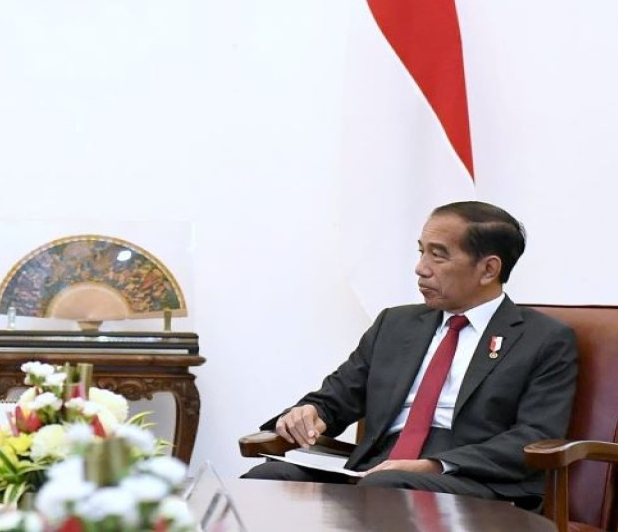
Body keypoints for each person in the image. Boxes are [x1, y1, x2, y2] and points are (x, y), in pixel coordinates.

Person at [244, 201, 578, 510]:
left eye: (439, 255)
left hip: (470, 483)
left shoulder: (544, 339)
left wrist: (435, 465)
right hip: (376, 472)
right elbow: (337, 398)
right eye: (421, 252)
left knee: (389, 484)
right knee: (267, 480)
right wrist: (309, 413)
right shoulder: (395, 323)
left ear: (489, 269)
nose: (421, 269)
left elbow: (534, 436)